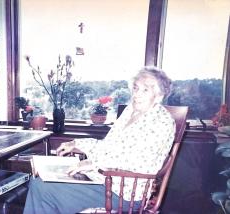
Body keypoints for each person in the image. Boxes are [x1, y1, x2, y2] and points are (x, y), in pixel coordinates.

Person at [23, 66, 176, 214]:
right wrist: (76, 144)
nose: (137, 94)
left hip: (123, 192)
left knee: (42, 189)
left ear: (159, 95)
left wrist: (93, 164)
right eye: (136, 88)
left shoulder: (161, 121)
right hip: (102, 179)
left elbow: (139, 162)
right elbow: (108, 146)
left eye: (145, 90)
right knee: (41, 180)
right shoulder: (131, 111)